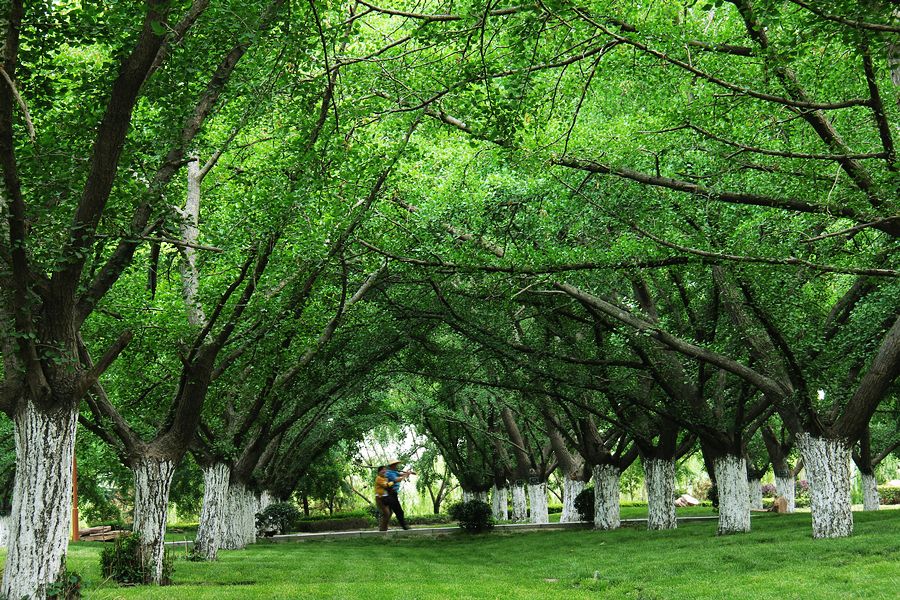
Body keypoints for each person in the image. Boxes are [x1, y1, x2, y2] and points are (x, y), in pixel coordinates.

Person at [384, 460, 412, 530]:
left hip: (393, 494)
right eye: (396, 464)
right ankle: (404, 526)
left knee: (389, 513)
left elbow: (400, 474)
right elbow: (397, 479)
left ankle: (383, 528)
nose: (397, 465)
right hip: (390, 494)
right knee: (399, 511)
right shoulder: (389, 473)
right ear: (392, 465)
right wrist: (406, 475)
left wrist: (408, 473)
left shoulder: (394, 472)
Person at [374, 465, 394, 531]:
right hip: (380, 498)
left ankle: (385, 527)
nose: (384, 471)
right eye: (382, 470)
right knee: (386, 513)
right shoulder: (378, 478)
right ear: (379, 472)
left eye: (385, 470)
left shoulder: (385, 478)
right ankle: (382, 529)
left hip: (386, 498)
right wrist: (393, 482)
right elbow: (386, 485)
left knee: (390, 512)